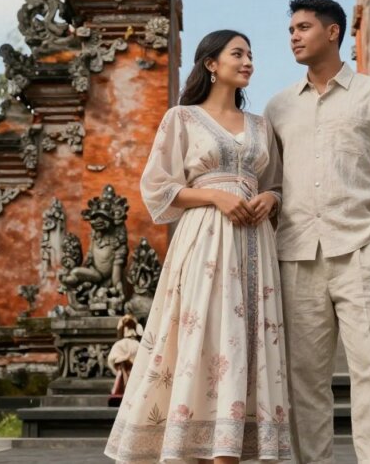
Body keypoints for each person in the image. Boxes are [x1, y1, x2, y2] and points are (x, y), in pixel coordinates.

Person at [105, 30, 291, 463]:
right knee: (204, 335)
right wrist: (214, 195)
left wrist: (270, 197)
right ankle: (193, 444)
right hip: (206, 239)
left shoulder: (262, 126)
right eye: (238, 54)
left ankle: (234, 448)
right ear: (211, 63)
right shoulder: (182, 119)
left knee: (250, 340)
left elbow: (277, 183)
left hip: (256, 246)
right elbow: (157, 187)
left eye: (251, 55)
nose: (248, 62)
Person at [264, 0, 370, 464]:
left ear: (333, 33)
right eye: (290, 28)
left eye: (304, 26)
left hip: (360, 249)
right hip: (295, 254)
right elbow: (272, 180)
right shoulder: (278, 107)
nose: (293, 35)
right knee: (303, 380)